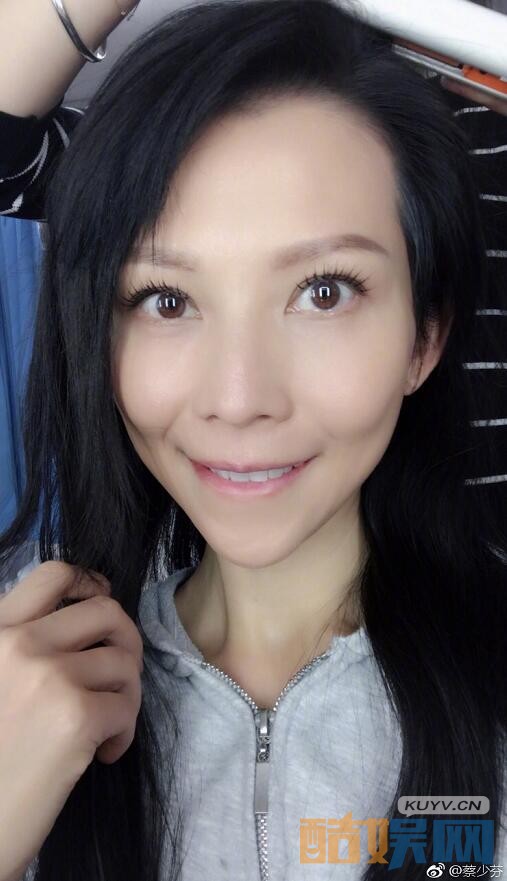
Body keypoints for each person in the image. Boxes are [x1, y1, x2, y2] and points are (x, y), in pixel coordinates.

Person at [0, 1, 505, 880]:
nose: (238, 400)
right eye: (166, 300)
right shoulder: (22, 690)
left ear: (423, 337)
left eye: (323, 292)